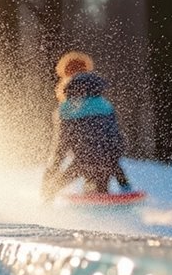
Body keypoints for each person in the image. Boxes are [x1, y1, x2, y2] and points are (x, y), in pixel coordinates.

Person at [41, 51, 133, 200]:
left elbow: (61, 146)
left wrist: (51, 175)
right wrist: (124, 182)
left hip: (81, 162)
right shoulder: (104, 105)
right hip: (108, 161)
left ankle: (46, 207)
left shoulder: (66, 109)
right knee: (99, 191)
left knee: (52, 191)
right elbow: (114, 139)